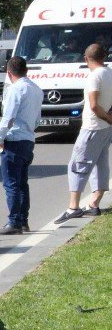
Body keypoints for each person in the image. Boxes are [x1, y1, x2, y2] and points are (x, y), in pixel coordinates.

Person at [57, 42, 112, 223]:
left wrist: (107, 118)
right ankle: (94, 203)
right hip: (105, 129)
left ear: (86, 58)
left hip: (92, 126)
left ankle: (74, 207)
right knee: (100, 164)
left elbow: (94, 105)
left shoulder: (94, 77)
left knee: (77, 165)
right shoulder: (109, 73)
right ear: (103, 57)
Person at [0, 56, 43, 235]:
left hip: (14, 139)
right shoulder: (36, 89)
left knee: (11, 183)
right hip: (28, 139)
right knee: (22, 182)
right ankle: (23, 220)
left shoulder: (15, 89)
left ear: (9, 73)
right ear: (26, 70)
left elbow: (8, 117)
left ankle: (14, 221)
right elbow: (38, 119)